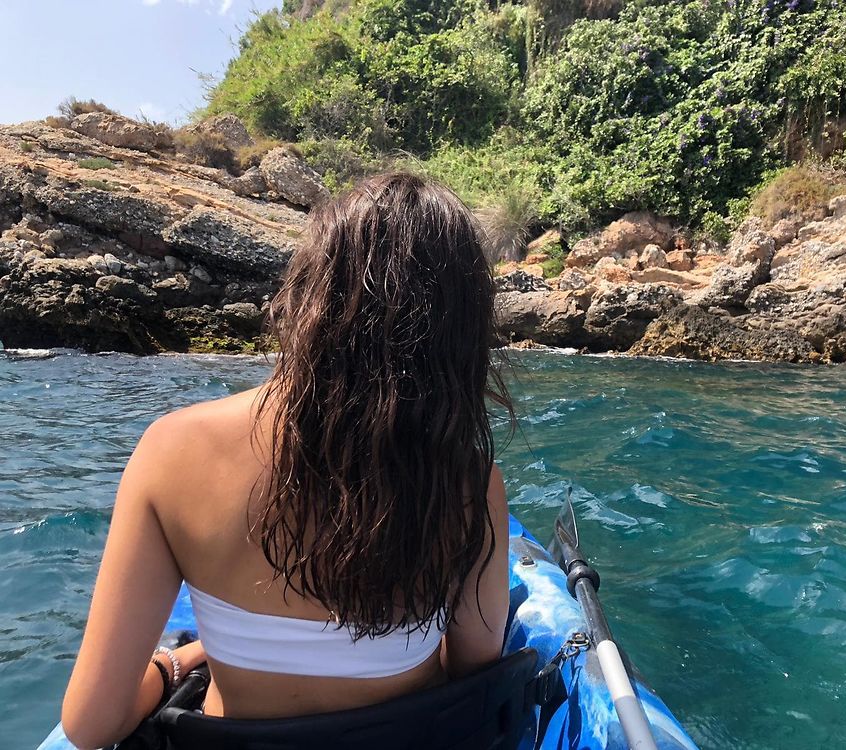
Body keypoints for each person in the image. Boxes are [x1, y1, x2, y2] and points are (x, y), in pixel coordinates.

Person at [61, 172, 514, 750]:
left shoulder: (173, 451)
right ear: (460, 337)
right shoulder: (471, 484)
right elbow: (477, 665)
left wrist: (177, 664)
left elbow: (90, 723)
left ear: (308, 297)